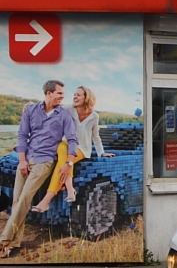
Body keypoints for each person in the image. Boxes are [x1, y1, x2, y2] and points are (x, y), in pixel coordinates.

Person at [0, 80, 79, 259]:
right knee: (16, 201)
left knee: (24, 199)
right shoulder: (31, 110)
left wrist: (68, 162)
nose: (62, 96)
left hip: (44, 161)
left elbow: (73, 139)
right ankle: (13, 244)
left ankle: (3, 240)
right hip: (27, 159)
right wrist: (22, 161)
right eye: (59, 93)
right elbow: (22, 135)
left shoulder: (63, 115)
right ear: (49, 93)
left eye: (63, 94)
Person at [31, 85, 115, 214]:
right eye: (74, 94)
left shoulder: (94, 116)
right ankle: (69, 189)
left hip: (82, 148)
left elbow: (95, 136)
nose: (75, 97)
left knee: (62, 163)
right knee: (62, 151)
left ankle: (47, 200)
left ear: (86, 97)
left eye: (78, 95)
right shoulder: (68, 109)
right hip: (65, 144)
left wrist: (101, 153)